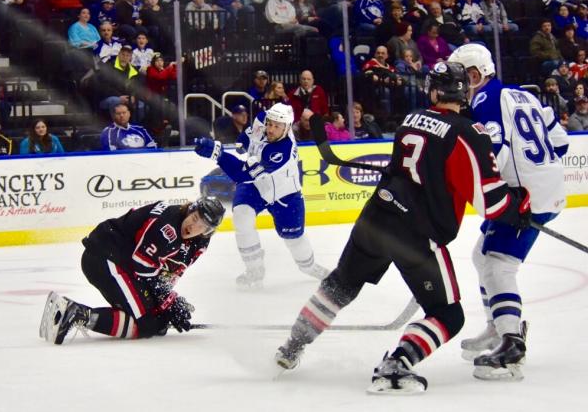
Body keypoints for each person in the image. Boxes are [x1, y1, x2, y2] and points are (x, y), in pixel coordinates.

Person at [274, 62, 532, 393]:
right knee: (448, 315)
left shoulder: (410, 121)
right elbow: (491, 203)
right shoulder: (469, 133)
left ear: (434, 91)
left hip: (375, 218)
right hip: (416, 233)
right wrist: (519, 205)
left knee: (340, 285)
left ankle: (292, 346)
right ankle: (396, 365)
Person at [448, 44, 569, 380]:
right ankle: (497, 327)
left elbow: (493, 156)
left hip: (523, 196)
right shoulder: (524, 95)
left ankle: (512, 345)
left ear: (474, 75)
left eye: (461, 78)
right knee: (481, 255)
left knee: (499, 263)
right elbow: (560, 142)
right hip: (542, 188)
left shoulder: (485, 100)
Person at [39, 197, 225, 345]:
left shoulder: (200, 242)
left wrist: (164, 305)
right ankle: (76, 314)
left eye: (202, 226)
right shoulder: (167, 227)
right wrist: (168, 300)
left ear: (208, 231)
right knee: (148, 324)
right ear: (190, 210)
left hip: (123, 263)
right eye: (194, 219)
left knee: (156, 322)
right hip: (105, 258)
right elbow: (142, 267)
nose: (193, 227)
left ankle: (77, 314)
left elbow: (171, 271)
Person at [194, 103, 329, 289]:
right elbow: (248, 136)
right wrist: (243, 141)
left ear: (287, 128)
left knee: (293, 238)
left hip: (285, 193)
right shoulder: (262, 119)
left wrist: (218, 154)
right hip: (255, 187)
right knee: (241, 217)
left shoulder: (283, 150)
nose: (271, 129)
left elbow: (242, 173)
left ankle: (309, 266)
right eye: (270, 124)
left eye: (276, 126)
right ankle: (254, 269)